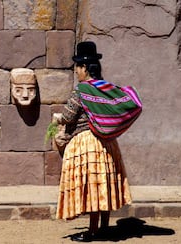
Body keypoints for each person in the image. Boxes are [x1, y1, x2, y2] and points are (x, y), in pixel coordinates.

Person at [54, 41, 132, 242]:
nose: (76, 72)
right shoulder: (107, 88)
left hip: (88, 143)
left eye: (77, 68)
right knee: (103, 185)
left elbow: (69, 116)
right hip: (107, 143)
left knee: (93, 187)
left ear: (84, 68)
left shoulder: (81, 90)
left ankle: (92, 231)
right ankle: (104, 228)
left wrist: (58, 119)